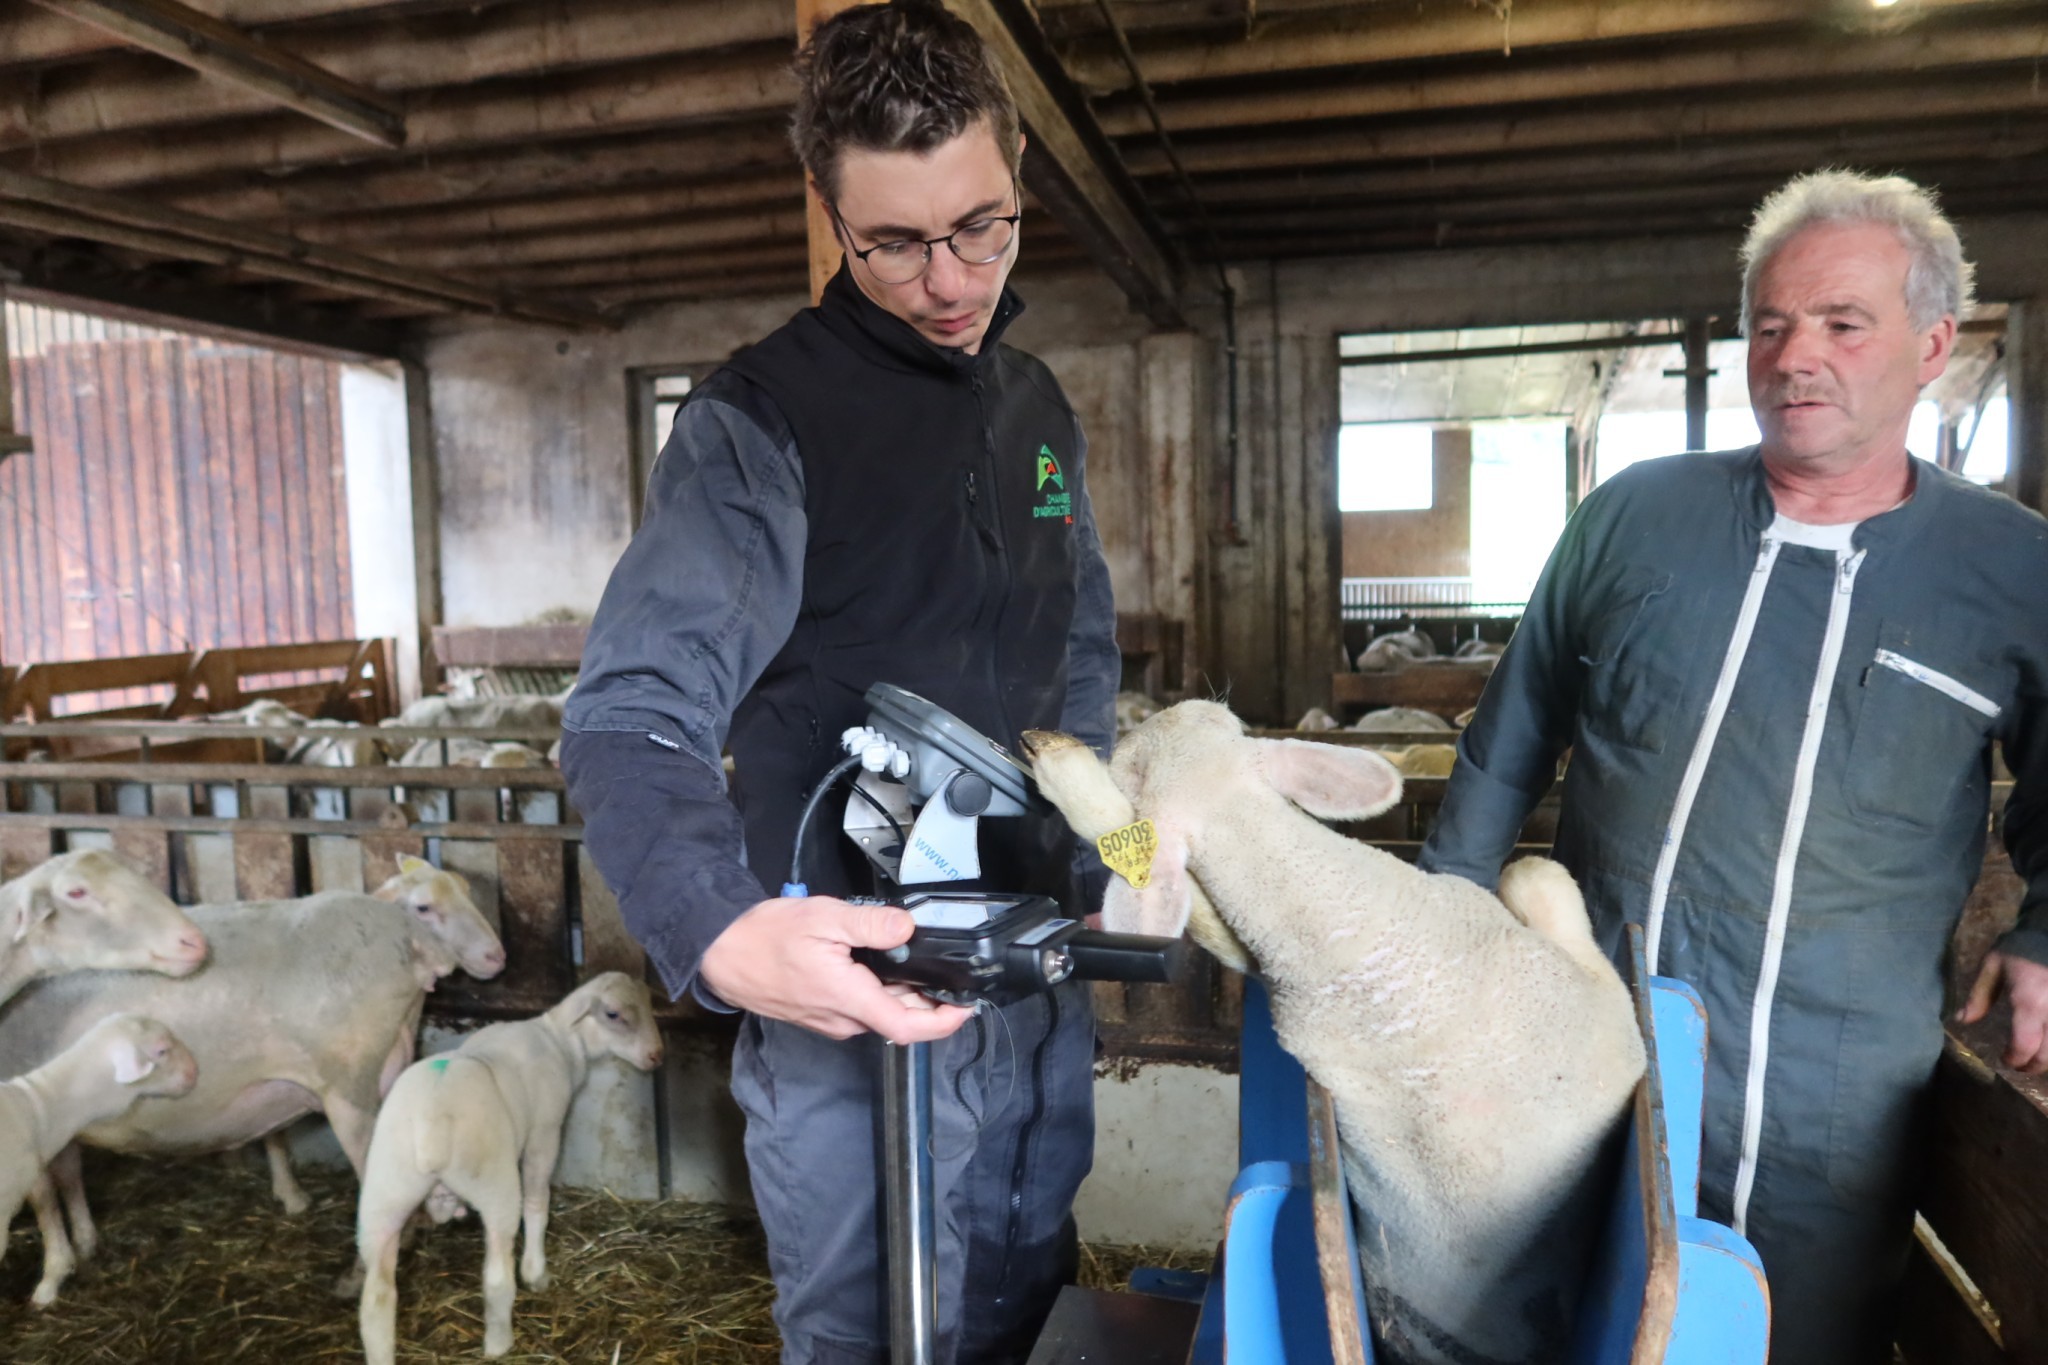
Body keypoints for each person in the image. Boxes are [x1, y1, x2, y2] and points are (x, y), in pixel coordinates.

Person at [559, 5, 1118, 1362]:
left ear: (1020, 174)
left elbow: (1082, 668)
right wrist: (718, 926)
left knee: (1030, 1292)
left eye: (982, 224)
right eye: (894, 243)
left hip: (1032, 979)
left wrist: (1136, 851)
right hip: (851, 1002)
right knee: (871, 1329)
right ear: (831, 216)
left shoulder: (1036, 407)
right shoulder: (759, 424)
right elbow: (630, 709)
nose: (948, 278)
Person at [1415, 169, 2048, 1365]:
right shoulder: (1632, 518)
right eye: (1769, 324)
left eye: (1839, 324)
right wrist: (1448, 899)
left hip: (1831, 1085)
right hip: (1592, 1035)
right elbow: (1512, 726)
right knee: (1564, 1307)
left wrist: (2043, 934)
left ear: (1929, 345)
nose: (1793, 355)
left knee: (1784, 1331)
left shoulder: (2010, 571)